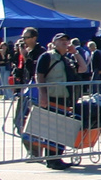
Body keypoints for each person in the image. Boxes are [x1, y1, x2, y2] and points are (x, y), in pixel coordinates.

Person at [34, 33, 88, 169]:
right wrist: (43, 94)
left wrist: (75, 52)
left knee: (62, 130)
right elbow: (39, 75)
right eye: (61, 40)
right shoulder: (47, 56)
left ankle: (58, 157)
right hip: (52, 96)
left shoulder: (67, 59)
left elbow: (83, 68)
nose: (65, 42)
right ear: (54, 42)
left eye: (67, 40)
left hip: (65, 98)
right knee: (53, 130)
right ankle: (52, 159)